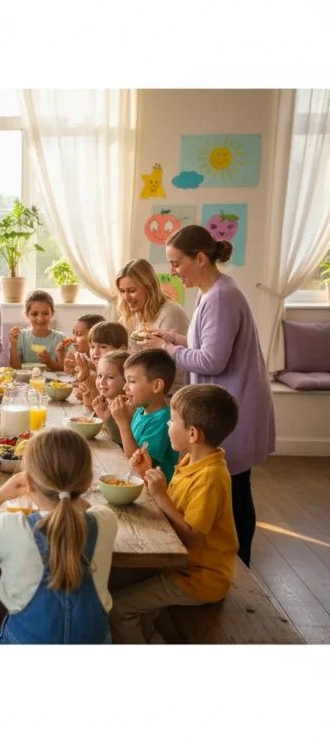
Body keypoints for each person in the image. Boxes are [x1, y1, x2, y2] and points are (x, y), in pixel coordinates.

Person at [143, 226, 275, 566]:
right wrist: (170, 337)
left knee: (235, 486)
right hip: (224, 398)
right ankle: (226, 556)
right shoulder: (213, 292)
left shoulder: (221, 297)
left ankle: (238, 562)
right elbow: (205, 344)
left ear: (200, 259)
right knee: (231, 485)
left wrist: (166, 348)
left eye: (176, 263)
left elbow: (212, 361)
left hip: (232, 399)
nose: (172, 272)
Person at [0, 426, 118, 644]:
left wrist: (0, 496)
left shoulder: (12, 527)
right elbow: (80, 509)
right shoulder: (106, 520)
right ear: (87, 481)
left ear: (29, 483)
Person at [110, 384, 240, 644]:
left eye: (172, 420)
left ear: (192, 434)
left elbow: (194, 537)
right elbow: (178, 507)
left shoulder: (211, 478)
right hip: (179, 563)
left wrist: (160, 496)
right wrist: (147, 473)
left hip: (198, 577)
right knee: (111, 578)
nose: (167, 424)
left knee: (119, 609)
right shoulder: (192, 461)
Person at [116, 259, 189, 392]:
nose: (126, 298)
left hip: (169, 393)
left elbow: (171, 368)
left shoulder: (170, 312)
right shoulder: (132, 315)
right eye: (122, 291)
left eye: (131, 290)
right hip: (142, 391)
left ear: (149, 287)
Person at [110, 349, 178, 483]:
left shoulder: (162, 421)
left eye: (132, 381)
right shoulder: (141, 410)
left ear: (156, 385)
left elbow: (137, 461)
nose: (125, 387)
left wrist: (123, 422)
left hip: (152, 494)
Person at [66, 321, 129, 405]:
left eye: (103, 347)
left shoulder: (125, 370)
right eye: (92, 347)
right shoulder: (96, 370)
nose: (95, 352)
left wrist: (87, 381)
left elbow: (106, 405)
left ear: (121, 348)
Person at [8, 290, 66, 370]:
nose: (40, 318)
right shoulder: (20, 337)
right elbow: (15, 367)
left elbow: (65, 369)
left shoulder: (61, 338)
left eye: (45, 313)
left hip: (53, 382)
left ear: (52, 313)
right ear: (27, 315)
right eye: (34, 314)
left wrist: (50, 362)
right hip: (26, 381)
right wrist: (13, 344)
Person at [88, 350, 130, 446]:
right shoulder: (107, 400)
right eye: (99, 376)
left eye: (110, 377)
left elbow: (121, 442)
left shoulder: (127, 406)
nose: (102, 381)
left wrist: (106, 419)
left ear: (126, 380)